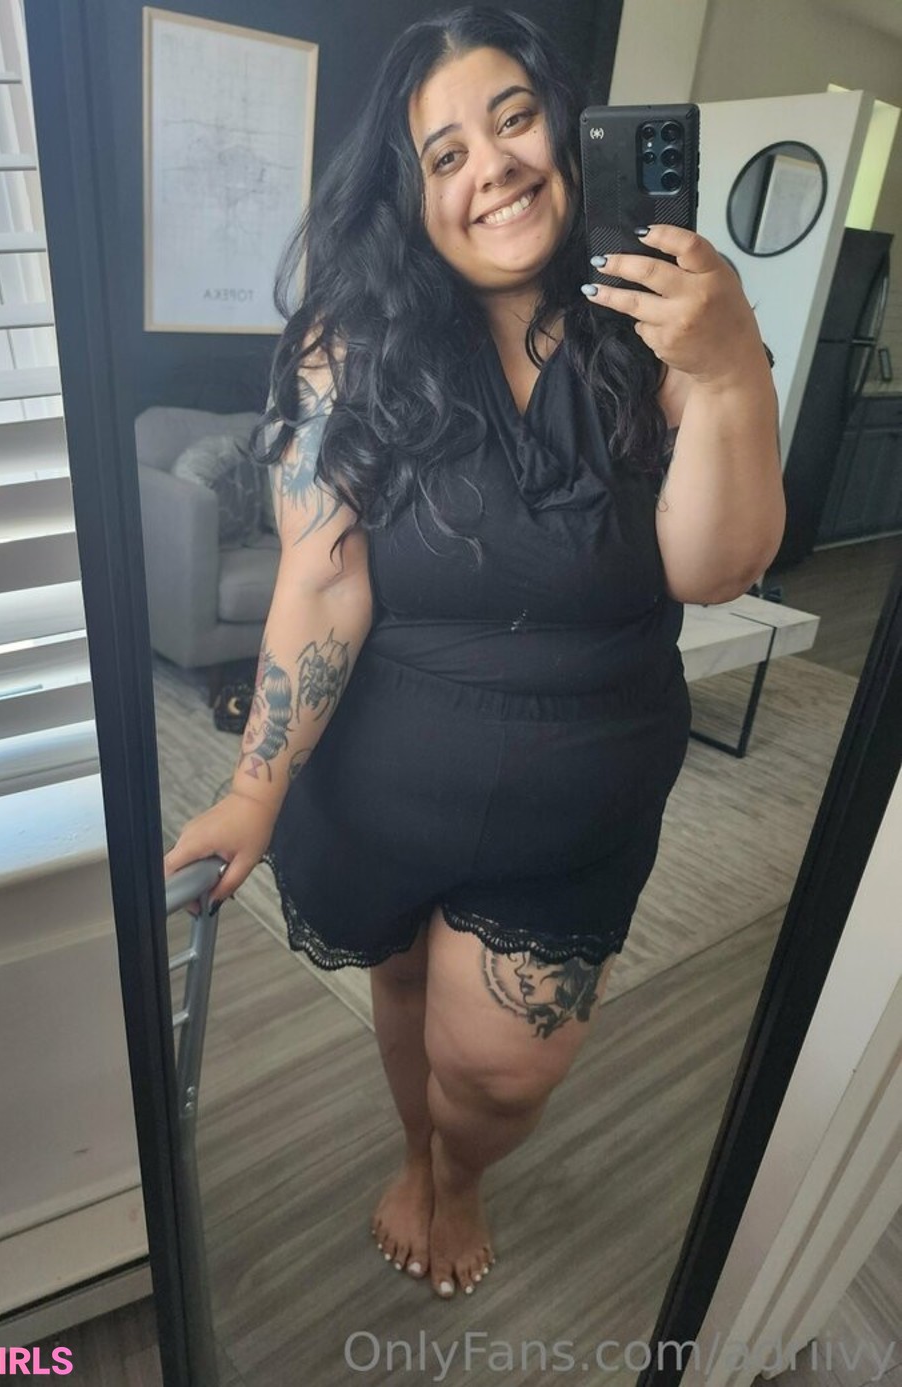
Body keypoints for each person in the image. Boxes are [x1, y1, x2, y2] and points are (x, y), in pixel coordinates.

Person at [164, 5, 785, 1302]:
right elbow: (320, 577)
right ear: (412, 193)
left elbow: (714, 568)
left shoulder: (671, 319)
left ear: (565, 128)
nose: (490, 167)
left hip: (580, 793)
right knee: (403, 984)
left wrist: (730, 374)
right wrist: (254, 786)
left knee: (500, 1072)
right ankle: (419, 1155)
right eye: (443, 154)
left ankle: (464, 1164)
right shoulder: (351, 343)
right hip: (379, 778)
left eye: (514, 121)